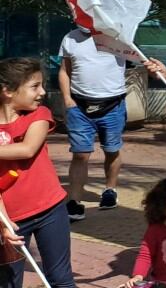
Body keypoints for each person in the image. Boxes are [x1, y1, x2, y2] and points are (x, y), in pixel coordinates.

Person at [0, 58, 74, 288]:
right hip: (11, 219)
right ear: (8, 91)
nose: (42, 91)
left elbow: (28, 149)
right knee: (9, 283)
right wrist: (4, 224)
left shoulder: (39, 114)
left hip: (51, 210)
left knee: (61, 279)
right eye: (35, 86)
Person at [57, 18, 128, 220]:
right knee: (80, 154)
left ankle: (110, 190)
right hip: (79, 107)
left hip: (113, 106)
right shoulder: (70, 38)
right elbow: (64, 70)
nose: (77, 16)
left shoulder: (117, 36)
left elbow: (137, 58)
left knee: (112, 150)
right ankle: (75, 201)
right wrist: (67, 100)